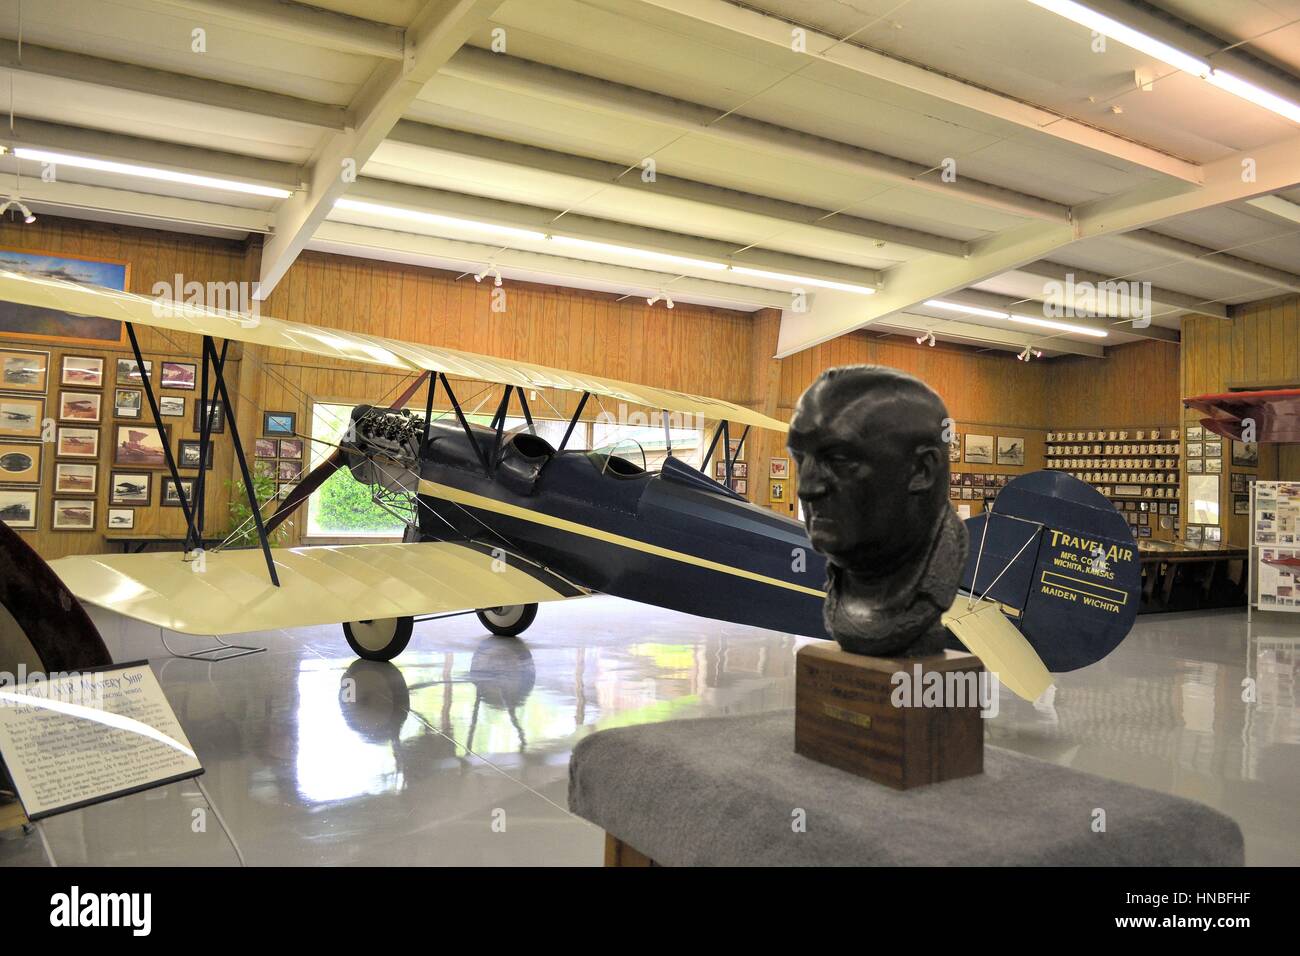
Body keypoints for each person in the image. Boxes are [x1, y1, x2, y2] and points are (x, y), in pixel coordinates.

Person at [787, 365, 967, 656]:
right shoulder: (851, 556)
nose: (806, 489)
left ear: (921, 470)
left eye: (839, 459)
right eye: (799, 458)